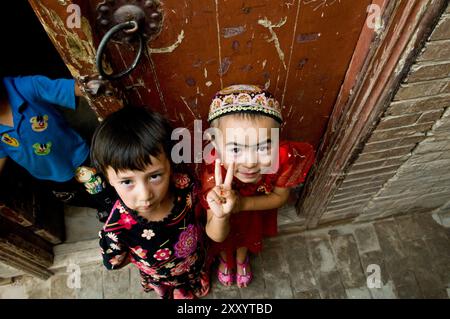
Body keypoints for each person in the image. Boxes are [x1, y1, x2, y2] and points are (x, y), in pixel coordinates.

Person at [201, 84, 315, 288]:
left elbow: (280, 197)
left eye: (263, 147)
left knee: (247, 235)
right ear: (215, 144)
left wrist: (241, 204)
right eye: (236, 148)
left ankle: (241, 258)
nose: (251, 162)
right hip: (224, 221)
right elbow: (215, 234)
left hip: (254, 210)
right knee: (224, 242)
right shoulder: (214, 172)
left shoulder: (282, 159)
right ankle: (226, 259)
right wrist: (222, 214)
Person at [90, 106, 210, 299]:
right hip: (158, 274)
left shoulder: (184, 185)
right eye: (127, 181)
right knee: (166, 286)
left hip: (192, 257)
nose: (145, 195)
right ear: (108, 178)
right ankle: (173, 289)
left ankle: (188, 285)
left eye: (154, 176)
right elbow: (113, 261)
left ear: (170, 166)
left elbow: (198, 210)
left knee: (192, 273)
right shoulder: (115, 227)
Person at [0, 74, 115, 221]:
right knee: (76, 198)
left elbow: (65, 88)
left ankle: (115, 209)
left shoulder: (24, 87)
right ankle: (101, 207)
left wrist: (91, 86)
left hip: (78, 159)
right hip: (49, 176)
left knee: (102, 189)